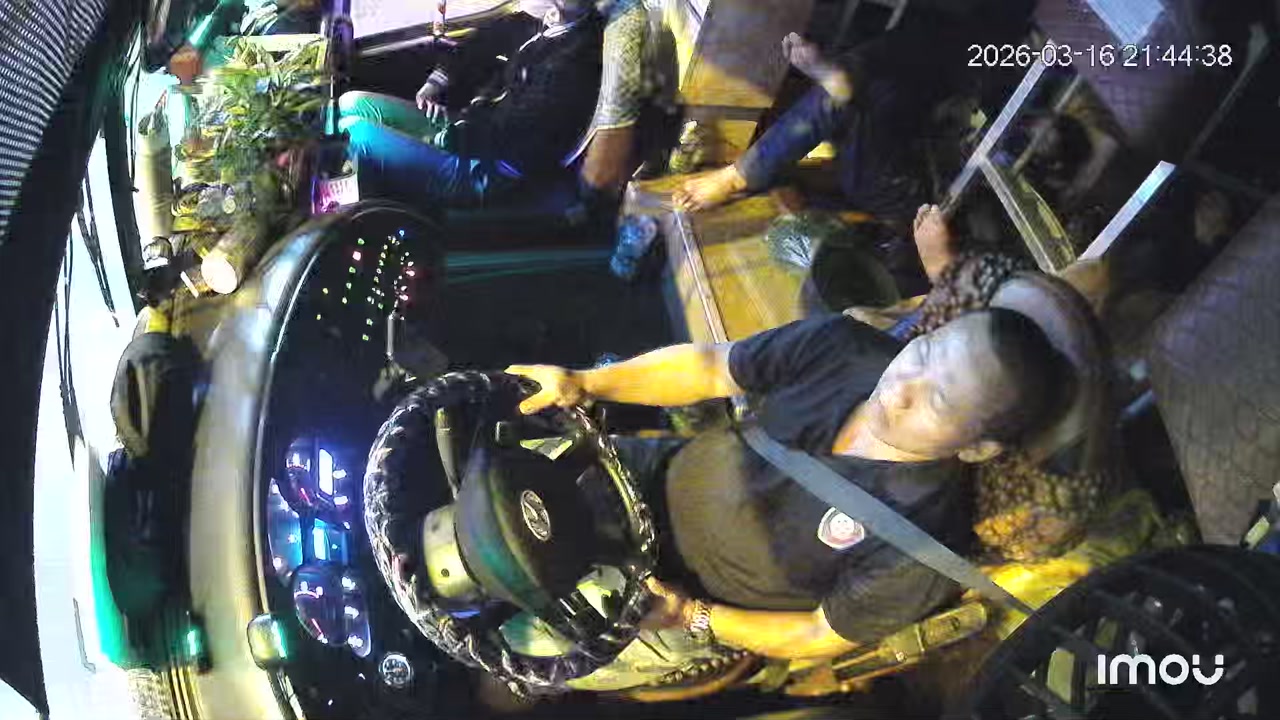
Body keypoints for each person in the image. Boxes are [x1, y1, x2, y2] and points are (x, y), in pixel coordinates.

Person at [506, 279, 1071, 661]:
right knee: (492, 482)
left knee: (516, 647)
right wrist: (586, 382)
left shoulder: (923, 545)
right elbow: (711, 369)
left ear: (977, 449)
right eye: (921, 355)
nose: (900, 389)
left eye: (938, 401)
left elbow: (819, 633)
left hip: (667, 594)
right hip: (640, 474)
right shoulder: (841, 348)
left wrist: (692, 616)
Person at [673, 2, 1031, 226]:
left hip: (917, 172)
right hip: (909, 82)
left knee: (855, 110)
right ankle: (834, 92)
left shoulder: (1010, 56)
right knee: (858, 84)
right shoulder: (939, 26)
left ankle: (748, 175)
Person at [339, 0, 604, 208]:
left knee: (356, 132)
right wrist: (435, 85)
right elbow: (481, 43)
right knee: (353, 102)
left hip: (490, 168)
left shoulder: (573, 63)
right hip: (470, 128)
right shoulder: (540, 23)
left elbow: (521, 132)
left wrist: (450, 135)